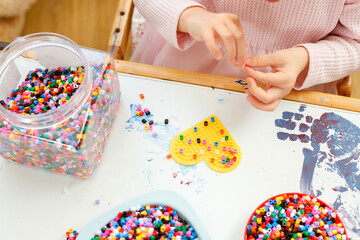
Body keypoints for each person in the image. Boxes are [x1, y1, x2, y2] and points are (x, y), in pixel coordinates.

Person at [130, 0, 360, 111]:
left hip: (292, 86)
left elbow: (354, 41)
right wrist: (191, 17)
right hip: (188, 66)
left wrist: (306, 59)